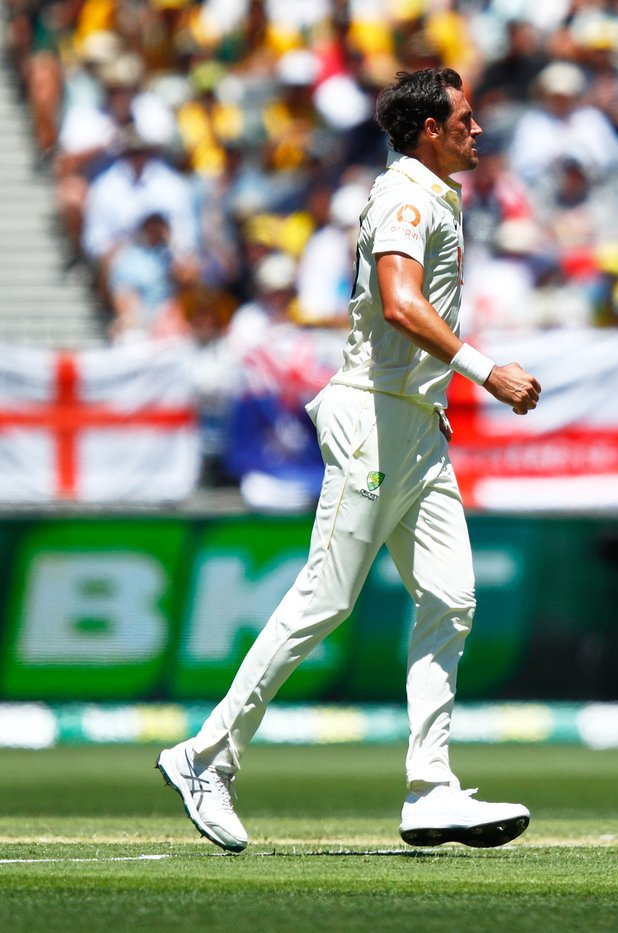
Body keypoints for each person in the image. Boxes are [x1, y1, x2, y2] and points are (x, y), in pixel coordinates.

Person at [156, 67, 543, 854]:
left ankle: (431, 787)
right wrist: (485, 369)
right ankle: (204, 757)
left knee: (452, 595)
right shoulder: (405, 195)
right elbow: (399, 303)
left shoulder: (436, 193)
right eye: (464, 118)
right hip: (372, 415)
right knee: (325, 597)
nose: (477, 129)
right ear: (429, 129)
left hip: (415, 425)